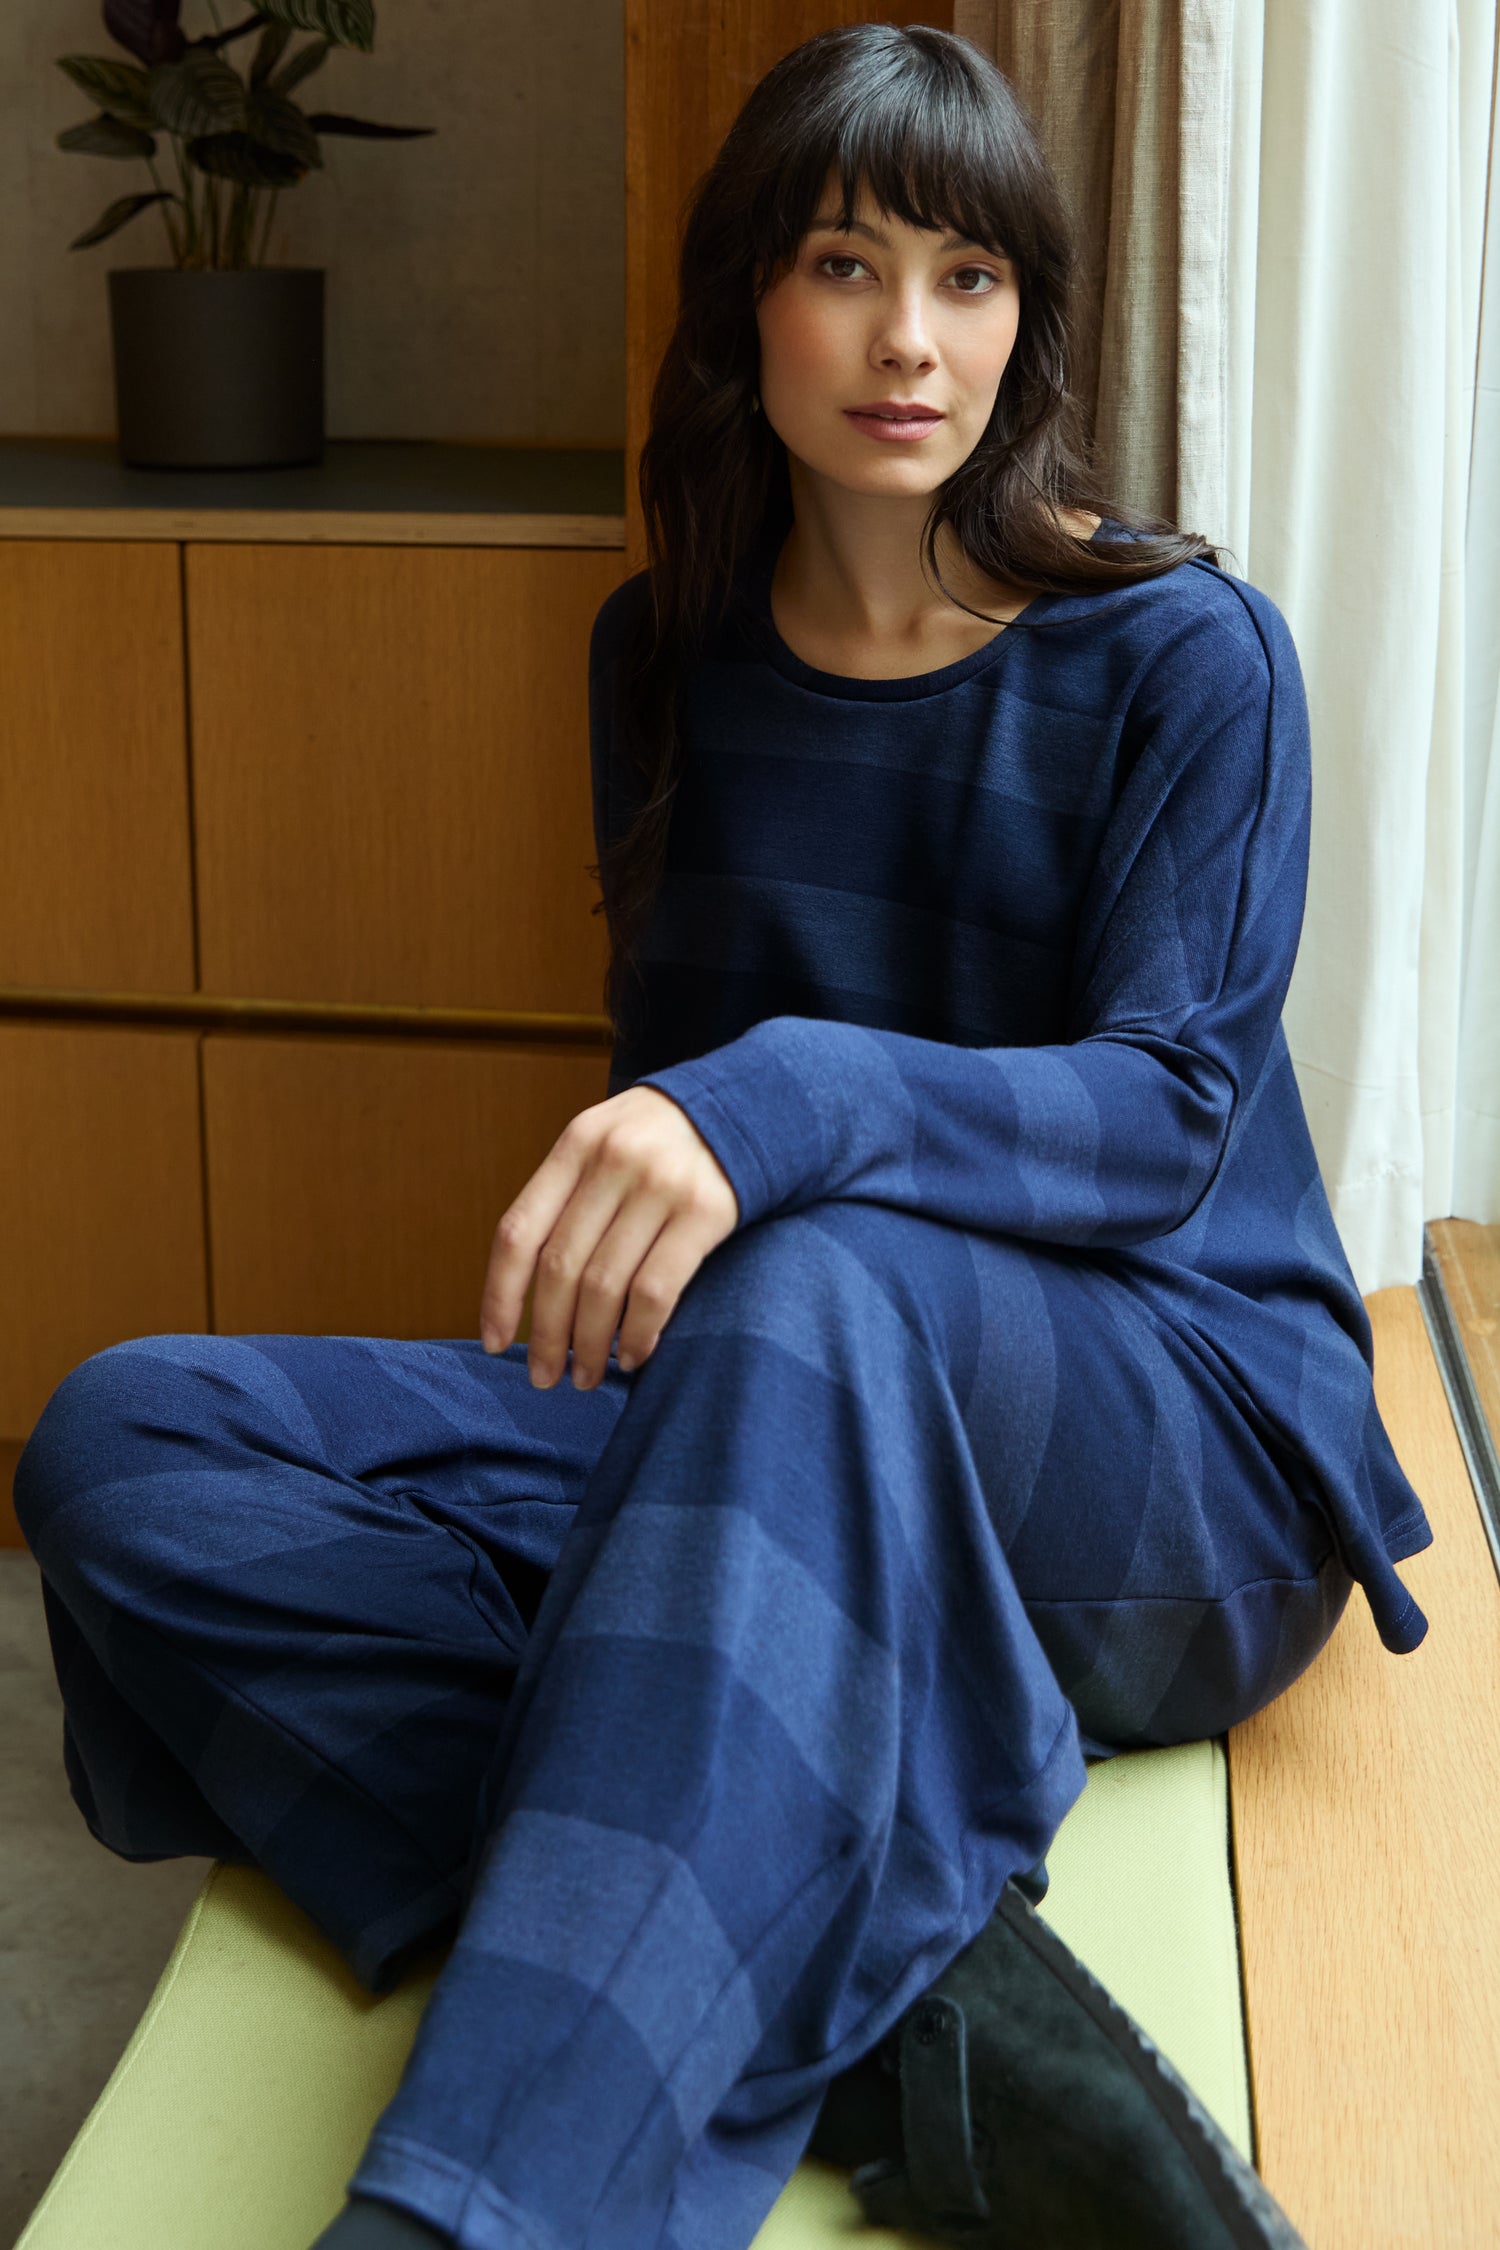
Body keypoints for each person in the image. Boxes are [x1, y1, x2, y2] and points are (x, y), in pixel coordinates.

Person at [14, 24, 1433, 2250]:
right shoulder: (661, 659)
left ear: (1026, 322)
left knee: (812, 1258)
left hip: (1168, 1442)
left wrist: (782, 1100)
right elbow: (669, 1114)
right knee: (122, 1443)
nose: (907, 339)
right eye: (845, 264)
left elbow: (1167, 1121)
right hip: (780, 1397)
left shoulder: (1183, 655)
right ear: (741, 310)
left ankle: (481, 2213)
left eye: (970, 279)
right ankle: (909, 2001)